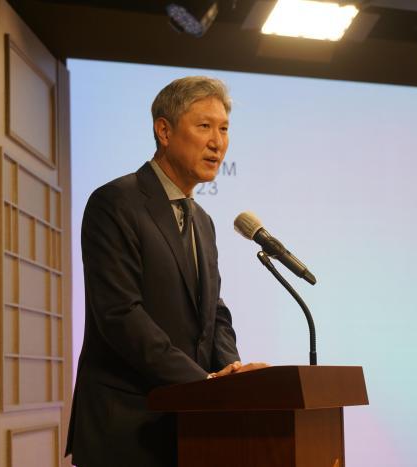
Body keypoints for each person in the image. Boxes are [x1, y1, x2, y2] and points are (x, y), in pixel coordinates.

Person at [66, 76, 251, 467]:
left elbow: (213, 313)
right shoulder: (114, 203)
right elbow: (120, 314)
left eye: (224, 129)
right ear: (164, 131)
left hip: (189, 426)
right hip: (127, 427)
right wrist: (202, 383)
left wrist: (231, 375)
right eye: (204, 126)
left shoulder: (203, 221)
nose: (217, 142)